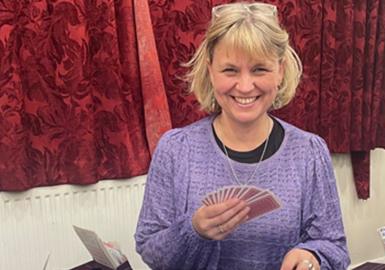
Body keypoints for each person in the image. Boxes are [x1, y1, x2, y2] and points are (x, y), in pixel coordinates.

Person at [135, 2, 350, 270]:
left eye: (260, 69)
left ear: (280, 71)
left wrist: (312, 258)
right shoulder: (175, 149)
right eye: (230, 70)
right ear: (211, 70)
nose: (245, 86)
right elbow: (150, 249)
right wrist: (193, 231)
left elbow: (334, 247)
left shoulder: (309, 152)